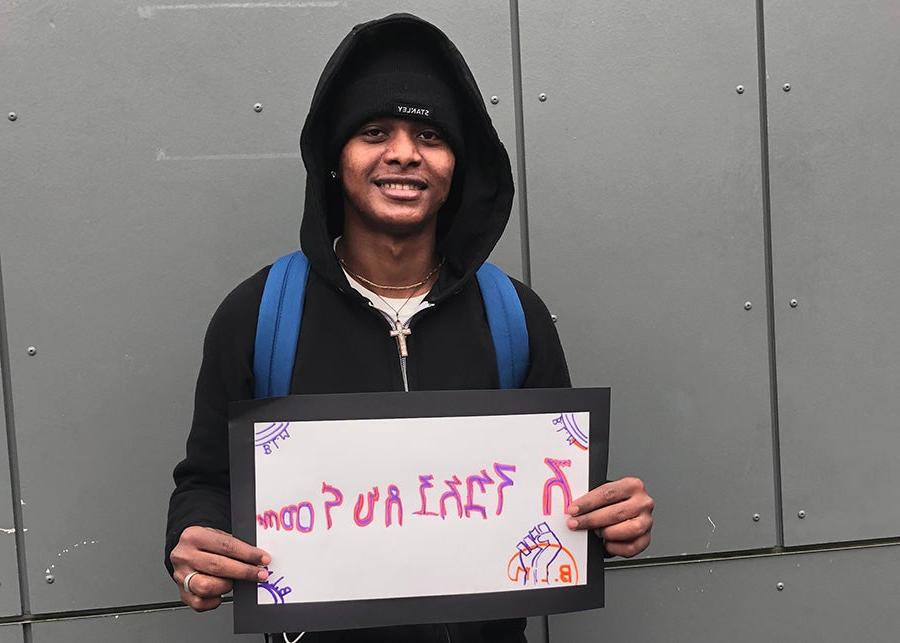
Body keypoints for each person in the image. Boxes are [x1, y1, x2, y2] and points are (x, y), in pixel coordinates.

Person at [165, 13, 654, 643]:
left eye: (429, 135)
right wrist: (190, 542)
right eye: (374, 132)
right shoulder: (260, 315)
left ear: (455, 166)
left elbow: (568, 496)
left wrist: (616, 520)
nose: (403, 153)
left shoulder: (514, 317)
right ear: (335, 160)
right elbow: (206, 481)